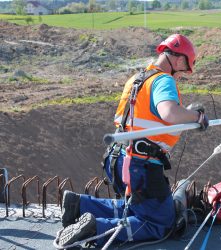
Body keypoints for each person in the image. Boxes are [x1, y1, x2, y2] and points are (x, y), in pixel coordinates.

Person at [58, 34, 209, 247]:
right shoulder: (163, 79)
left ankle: (80, 205)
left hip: (118, 158)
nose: (182, 73)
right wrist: (198, 117)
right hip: (141, 164)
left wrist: (187, 115)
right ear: (177, 59)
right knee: (160, 222)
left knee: (139, 207)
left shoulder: (137, 78)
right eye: (184, 66)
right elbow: (169, 113)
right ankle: (96, 228)